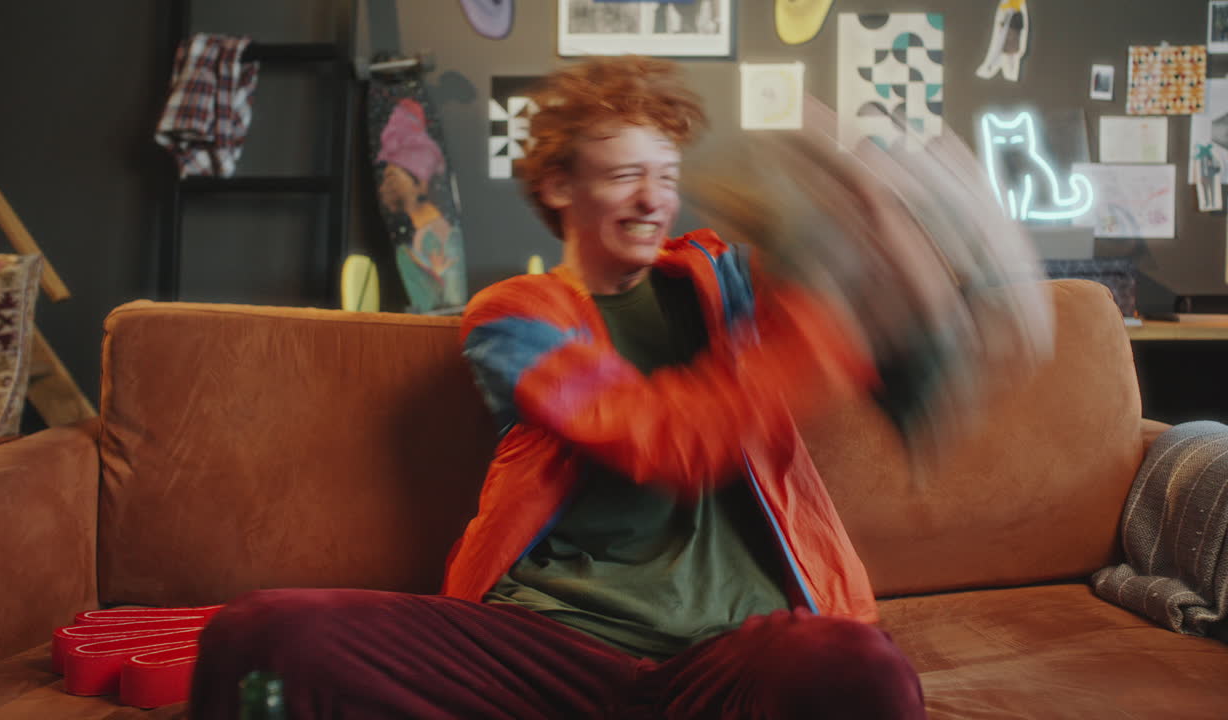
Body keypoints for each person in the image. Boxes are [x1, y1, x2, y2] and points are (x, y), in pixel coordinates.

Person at [189, 56, 928, 719]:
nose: (653, 201)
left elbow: (885, 342)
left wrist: (876, 237)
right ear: (556, 185)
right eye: (622, 176)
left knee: (860, 671)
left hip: (730, 653)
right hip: (548, 648)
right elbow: (661, 440)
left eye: (667, 176)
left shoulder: (724, 281)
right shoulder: (515, 321)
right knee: (260, 636)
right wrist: (821, 335)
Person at [376, 98, 466, 312]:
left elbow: (446, 297)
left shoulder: (433, 234)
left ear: (421, 183)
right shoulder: (419, 234)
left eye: (393, 177)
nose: (384, 187)